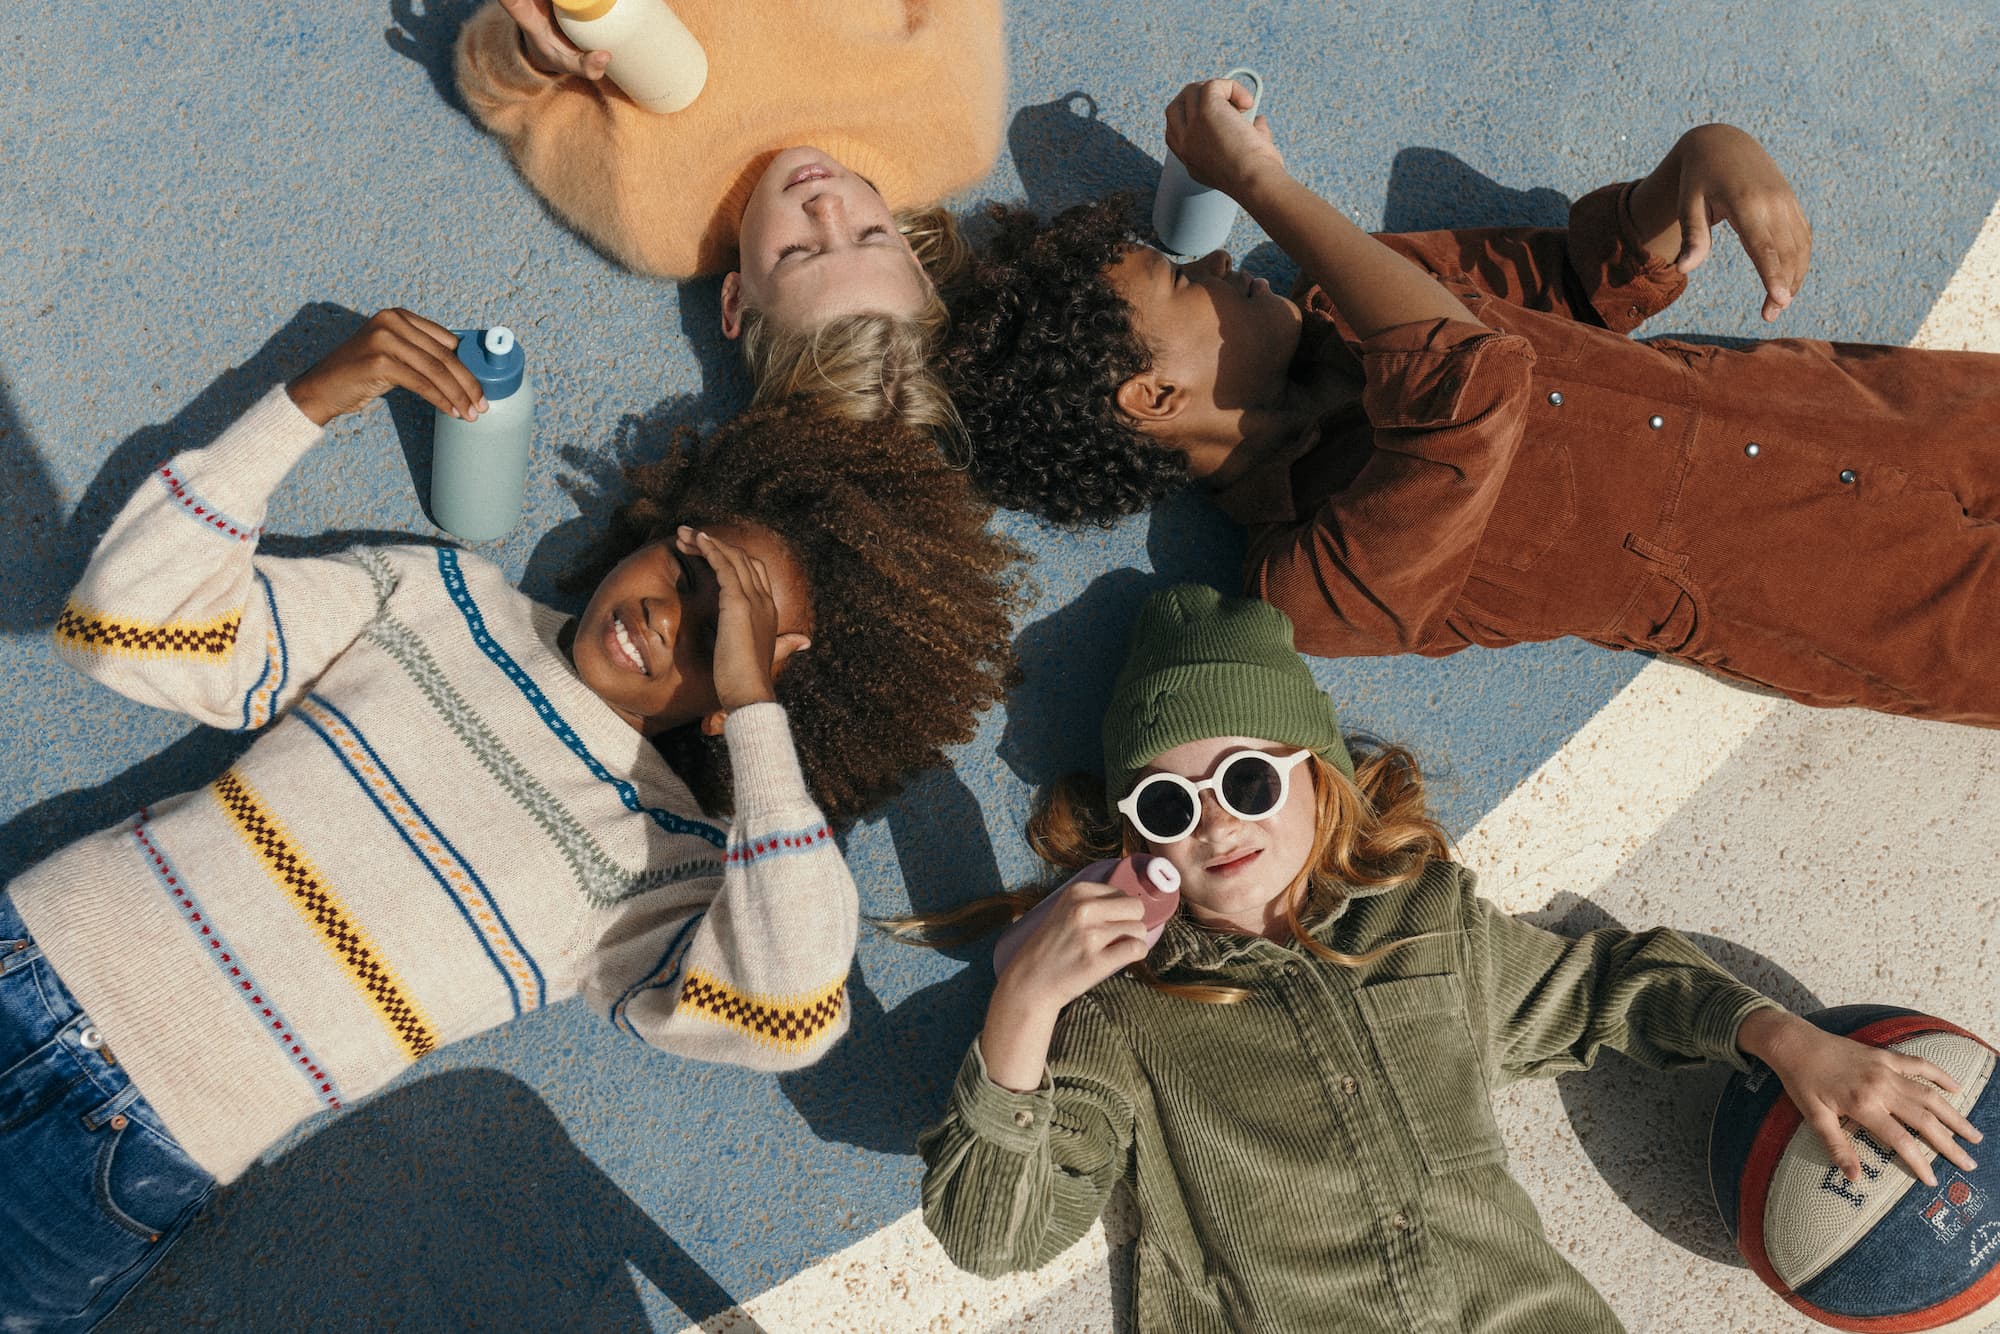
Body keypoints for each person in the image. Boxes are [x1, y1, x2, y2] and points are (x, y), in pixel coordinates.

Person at [0, 308, 1020, 1329]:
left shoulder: (667, 862)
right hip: (29, 949)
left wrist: (757, 712)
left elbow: (790, 1009)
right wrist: (303, 404)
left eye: (721, 635)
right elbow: (127, 627)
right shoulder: (439, 596)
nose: (669, 615)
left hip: (123, 1157)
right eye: (687, 573)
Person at [907, 584, 1982, 1333]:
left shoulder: (1421, 923)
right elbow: (993, 1233)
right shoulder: (1122, 1012)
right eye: (1163, 803)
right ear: (1134, 835)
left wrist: (1780, 1036)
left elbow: (1603, 989)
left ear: (1313, 771)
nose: (1210, 823)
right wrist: (1025, 999)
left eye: (1242, 780)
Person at [941, 84, 2000, 728]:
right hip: (1913, 608)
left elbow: (1581, 281)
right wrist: (1264, 184)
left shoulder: (1345, 295)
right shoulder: (1309, 581)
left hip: (1915, 416)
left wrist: (1706, 157)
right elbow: (1469, 390)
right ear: (1152, 395)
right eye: (1180, 282)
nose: (1216, 257)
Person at [454, 0, 1004, 428]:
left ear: (735, 298)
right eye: (871, 234)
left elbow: (500, 97)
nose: (827, 206)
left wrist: (533, 55)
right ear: (913, 254)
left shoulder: (654, 215)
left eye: (798, 253)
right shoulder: (952, 128)